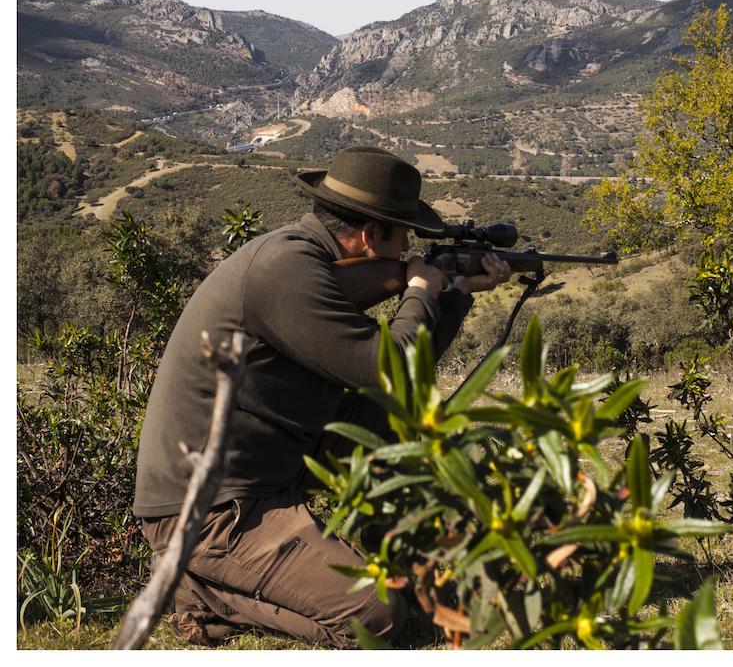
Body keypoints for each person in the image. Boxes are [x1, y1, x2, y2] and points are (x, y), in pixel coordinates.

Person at [131, 145, 511, 647]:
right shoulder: (287, 269)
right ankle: (206, 601)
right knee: (372, 618)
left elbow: (402, 385)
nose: (408, 251)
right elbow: (391, 370)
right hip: (210, 510)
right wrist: (419, 290)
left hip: (267, 467)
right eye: (404, 238)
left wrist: (455, 293)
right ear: (371, 234)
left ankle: (402, 558)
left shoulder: (302, 258)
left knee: (403, 427)